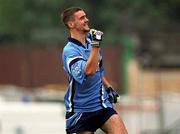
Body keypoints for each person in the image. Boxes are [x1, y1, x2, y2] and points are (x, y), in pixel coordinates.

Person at [61, 7, 128, 134]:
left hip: (102, 105)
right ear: (71, 24)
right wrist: (95, 45)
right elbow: (89, 71)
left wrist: (109, 87)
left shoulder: (92, 44)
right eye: (81, 18)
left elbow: (99, 71)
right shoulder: (69, 51)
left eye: (85, 16)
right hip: (80, 112)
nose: (87, 20)